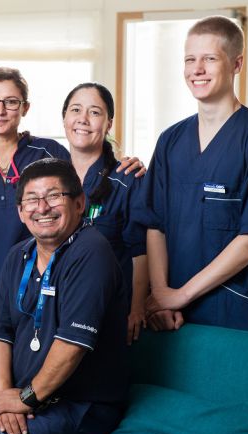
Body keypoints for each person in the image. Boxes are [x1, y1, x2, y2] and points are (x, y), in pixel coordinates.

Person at [0, 67, 141, 391]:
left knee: (39, 390)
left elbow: (87, 166)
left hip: (42, 299)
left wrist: (124, 162)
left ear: (25, 107)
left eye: (11, 101)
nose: (1, 109)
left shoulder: (49, 154)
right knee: (0, 393)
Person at [0, 158, 128, 434]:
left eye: (54, 196)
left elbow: (72, 345)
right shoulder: (18, 255)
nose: (42, 208)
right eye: (32, 199)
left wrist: (25, 399)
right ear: (20, 211)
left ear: (79, 203)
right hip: (33, 398)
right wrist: (4, 398)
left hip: (82, 406)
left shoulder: (91, 251)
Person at [138, 16, 248, 333]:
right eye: (189, 59)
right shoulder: (170, 141)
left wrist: (181, 295)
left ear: (236, 64)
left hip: (234, 312)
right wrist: (162, 294)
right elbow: (155, 224)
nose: (197, 69)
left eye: (209, 58)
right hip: (171, 317)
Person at [61, 83, 149, 344]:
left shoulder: (127, 179)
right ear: (64, 118)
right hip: (59, 307)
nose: (83, 119)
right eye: (76, 110)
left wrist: (137, 308)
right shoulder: (51, 176)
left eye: (95, 112)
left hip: (110, 312)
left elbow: (141, 251)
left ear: (109, 123)